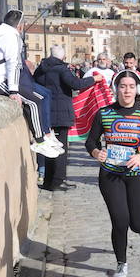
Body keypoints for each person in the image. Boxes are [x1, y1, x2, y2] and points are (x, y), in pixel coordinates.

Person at [87, 70, 140, 277]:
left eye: (130, 86)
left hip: (138, 174)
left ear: (137, 89)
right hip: (110, 175)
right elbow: (91, 141)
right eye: (122, 86)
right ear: (116, 89)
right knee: (120, 220)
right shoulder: (104, 113)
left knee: (137, 224)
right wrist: (96, 152)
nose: (127, 90)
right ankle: (122, 264)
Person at [0, 9, 65, 159]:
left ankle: (44, 136)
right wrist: (13, 91)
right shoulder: (12, 37)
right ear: (20, 26)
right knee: (34, 102)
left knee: (38, 98)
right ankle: (40, 142)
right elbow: (14, 65)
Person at [34, 45, 98, 191]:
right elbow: (76, 84)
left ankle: (48, 181)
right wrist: (93, 79)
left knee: (49, 147)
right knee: (61, 148)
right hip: (60, 113)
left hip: (45, 112)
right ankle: (58, 180)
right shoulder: (61, 69)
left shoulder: (40, 69)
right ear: (63, 57)